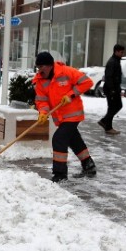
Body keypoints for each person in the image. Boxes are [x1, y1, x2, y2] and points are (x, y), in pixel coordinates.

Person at [33, 51, 96, 183]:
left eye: (41, 67)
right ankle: (88, 165)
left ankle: (60, 174)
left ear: (49, 65)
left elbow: (87, 83)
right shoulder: (40, 81)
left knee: (59, 139)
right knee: (74, 140)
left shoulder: (66, 72)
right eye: (37, 67)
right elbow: (42, 101)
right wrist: (43, 113)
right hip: (60, 117)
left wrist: (71, 94)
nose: (39, 71)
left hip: (73, 114)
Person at [98, 44, 125, 135]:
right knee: (115, 106)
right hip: (111, 89)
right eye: (121, 52)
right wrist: (112, 89)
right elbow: (109, 77)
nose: (122, 54)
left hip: (114, 88)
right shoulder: (112, 62)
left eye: (122, 52)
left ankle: (106, 124)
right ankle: (106, 124)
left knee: (114, 107)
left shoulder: (116, 61)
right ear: (116, 51)